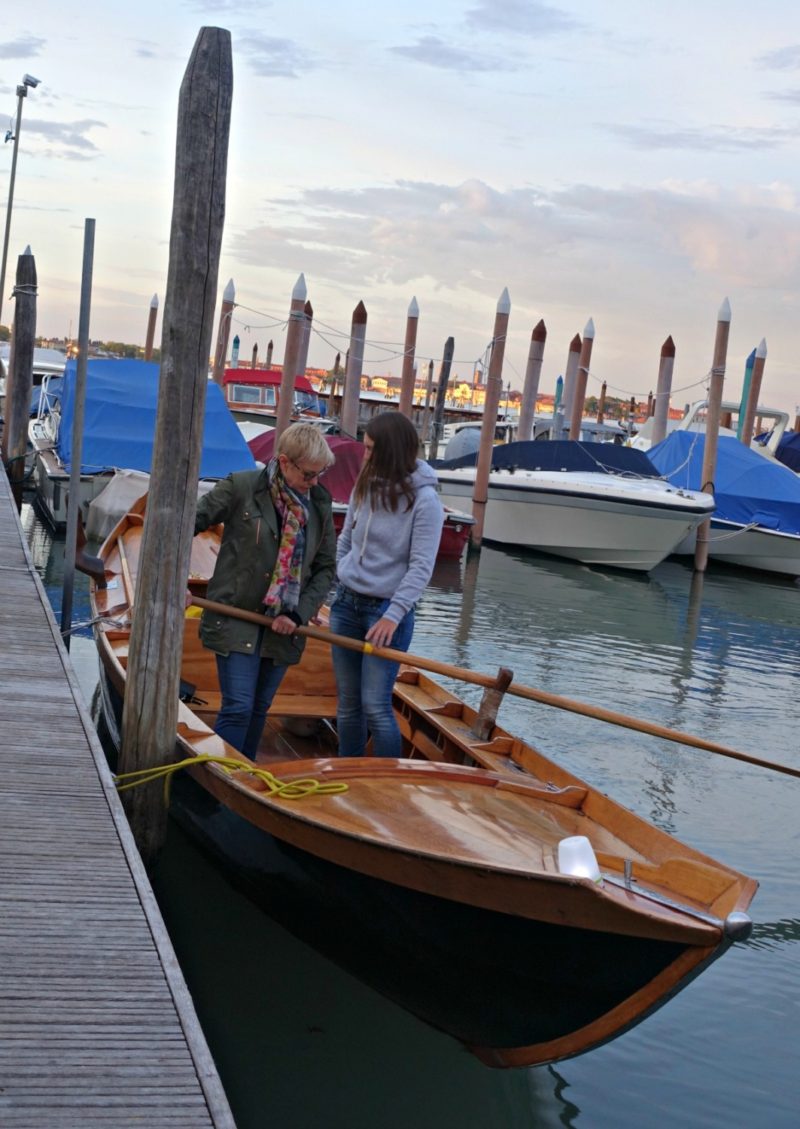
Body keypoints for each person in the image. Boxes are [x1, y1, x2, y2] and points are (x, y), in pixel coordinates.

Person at [193, 422, 336, 761]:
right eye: (309, 474)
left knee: (259, 707)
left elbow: (327, 567)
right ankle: (223, 777)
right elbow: (185, 523)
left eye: (320, 474)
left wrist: (297, 613)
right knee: (239, 707)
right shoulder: (240, 487)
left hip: (283, 626)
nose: (314, 482)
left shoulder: (318, 504)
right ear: (284, 462)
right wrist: (173, 584)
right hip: (235, 616)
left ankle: (244, 773)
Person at [330, 411, 443, 757]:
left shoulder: (425, 502)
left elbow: (421, 567)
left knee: (375, 705)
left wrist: (392, 615)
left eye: (369, 450)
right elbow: (346, 538)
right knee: (348, 703)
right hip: (347, 604)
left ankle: (387, 785)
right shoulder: (366, 484)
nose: (364, 456)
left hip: (385, 612)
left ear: (390, 452)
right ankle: (349, 776)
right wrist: (341, 576)